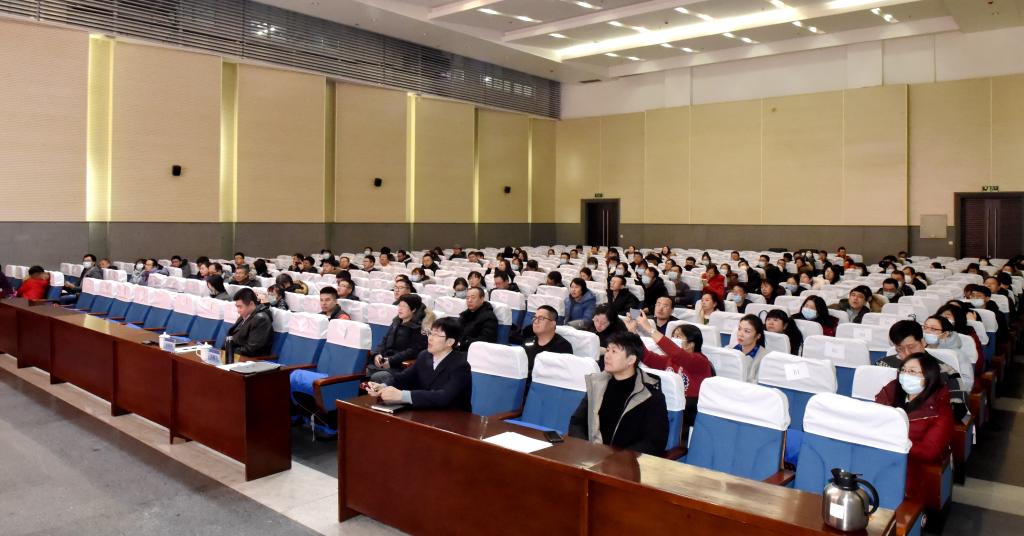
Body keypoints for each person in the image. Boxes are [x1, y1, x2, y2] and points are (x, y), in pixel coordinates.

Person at [568, 332, 669, 455]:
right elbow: (577, 422)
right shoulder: (598, 384)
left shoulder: (650, 395)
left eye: (614, 351)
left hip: (626, 461)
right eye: (607, 350)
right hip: (591, 456)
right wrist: (585, 448)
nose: (607, 356)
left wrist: (617, 457)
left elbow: (654, 442)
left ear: (631, 360)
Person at [873, 353, 953, 505]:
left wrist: (896, 441)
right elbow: (873, 421)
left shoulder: (940, 409)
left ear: (928, 377)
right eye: (903, 370)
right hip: (881, 456)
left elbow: (930, 451)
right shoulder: (891, 391)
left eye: (913, 371)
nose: (905, 375)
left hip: (912, 465)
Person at [628, 312, 713, 438]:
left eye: (678, 337)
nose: (673, 339)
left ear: (691, 344)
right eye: (672, 336)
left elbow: (677, 353)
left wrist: (649, 329)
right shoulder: (670, 360)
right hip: (669, 404)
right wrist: (633, 333)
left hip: (688, 410)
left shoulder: (700, 361)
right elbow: (647, 357)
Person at [367, 318, 472, 411]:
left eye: (436, 335)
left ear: (450, 342)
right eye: (430, 333)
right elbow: (404, 377)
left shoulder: (461, 365)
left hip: (452, 418)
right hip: (425, 411)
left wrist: (402, 395)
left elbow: (444, 397)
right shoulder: (424, 355)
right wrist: (383, 386)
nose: (430, 338)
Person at [876, 320, 968, 420]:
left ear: (923, 342)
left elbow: (958, 410)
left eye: (911, 347)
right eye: (900, 349)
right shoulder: (883, 365)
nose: (907, 353)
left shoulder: (947, 371)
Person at [367, 294, 429, 383]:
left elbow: (413, 351)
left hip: (400, 366)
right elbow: (384, 341)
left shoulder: (420, 328)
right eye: (399, 305)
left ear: (413, 309)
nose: (400, 309)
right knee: (363, 372)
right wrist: (377, 354)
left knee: (377, 377)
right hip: (385, 361)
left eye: (404, 306)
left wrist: (391, 361)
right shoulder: (396, 322)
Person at [223, 288, 274, 359]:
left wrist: (230, 350)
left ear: (251, 304)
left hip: (250, 360)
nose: (238, 310)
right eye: (237, 307)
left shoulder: (261, 319)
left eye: (240, 307)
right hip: (236, 355)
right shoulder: (245, 315)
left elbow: (251, 350)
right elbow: (232, 335)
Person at [522, 305, 574, 372]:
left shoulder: (563, 347)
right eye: (534, 318)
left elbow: (560, 373)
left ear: (552, 324)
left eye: (541, 318)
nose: (535, 321)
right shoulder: (528, 341)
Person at [733, 314, 768, 381]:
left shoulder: (764, 358)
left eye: (747, 331)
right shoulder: (734, 349)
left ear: (758, 336)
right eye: (739, 329)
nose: (740, 334)